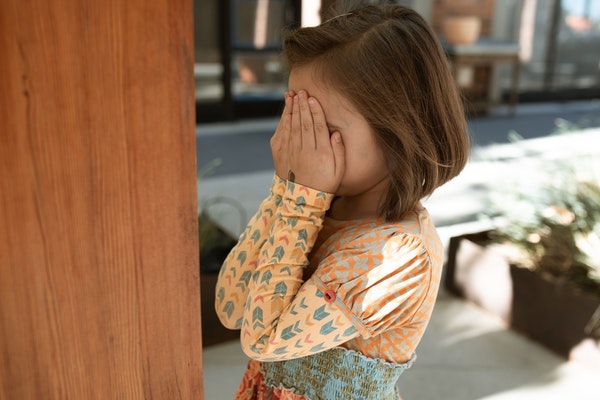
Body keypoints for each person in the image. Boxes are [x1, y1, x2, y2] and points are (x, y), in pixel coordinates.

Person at [215, 3, 470, 399]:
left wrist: (300, 199)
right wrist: (286, 188)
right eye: (297, 120)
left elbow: (262, 339)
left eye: (322, 129)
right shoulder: (316, 208)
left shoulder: (399, 254)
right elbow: (231, 308)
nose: (303, 144)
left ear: (398, 132)